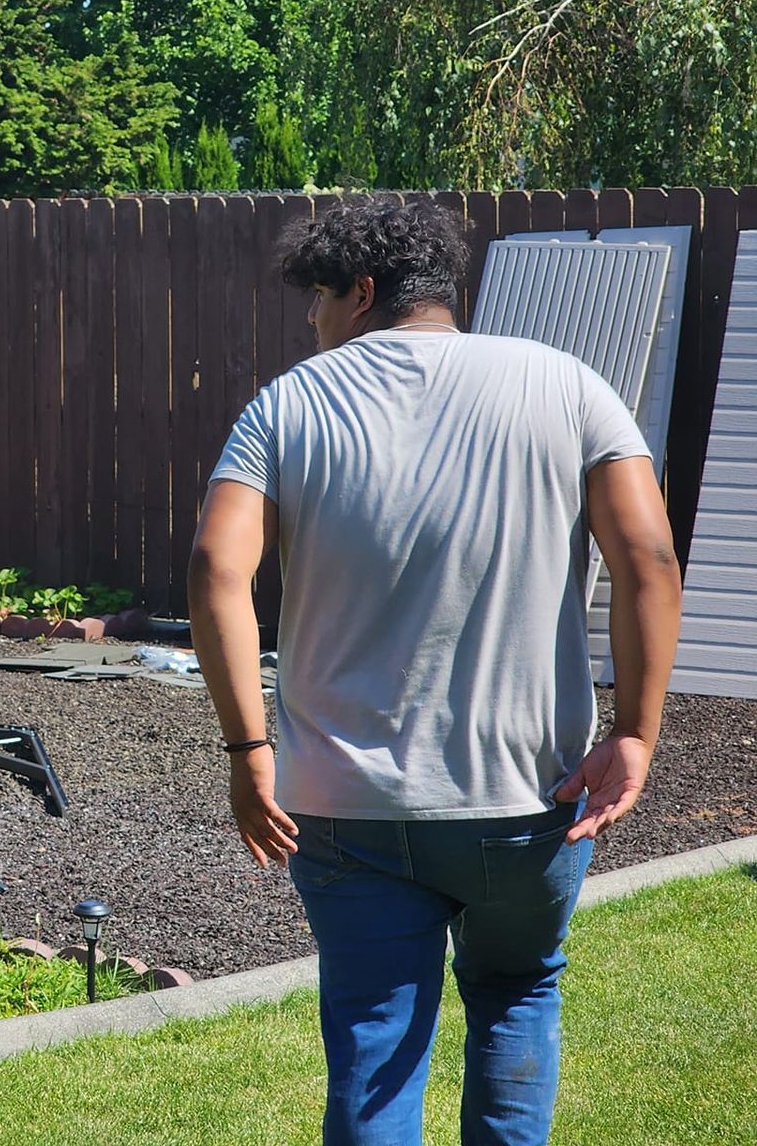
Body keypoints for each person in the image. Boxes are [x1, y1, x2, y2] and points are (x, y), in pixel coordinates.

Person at [187, 199, 681, 1146]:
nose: (312, 322)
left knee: (375, 1042)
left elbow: (218, 569)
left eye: (321, 299)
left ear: (364, 292)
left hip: (344, 805)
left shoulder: (288, 405)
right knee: (514, 995)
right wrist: (634, 732)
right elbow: (649, 560)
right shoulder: (570, 385)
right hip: (527, 792)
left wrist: (249, 749)